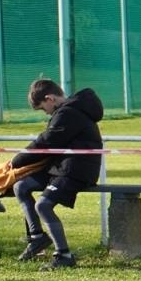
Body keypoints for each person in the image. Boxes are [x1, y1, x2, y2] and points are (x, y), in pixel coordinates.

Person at [8, 78, 104, 269]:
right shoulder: (67, 111)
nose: (46, 113)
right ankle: (37, 238)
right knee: (21, 186)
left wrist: (16, 161)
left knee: (43, 205)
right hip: (60, 167)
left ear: (50, 98)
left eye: (44, 108)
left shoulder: (68, 113)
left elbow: (47, 141)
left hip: (76, 170)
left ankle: (64, 255)